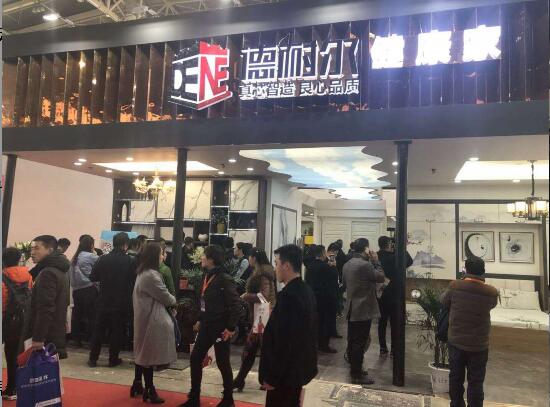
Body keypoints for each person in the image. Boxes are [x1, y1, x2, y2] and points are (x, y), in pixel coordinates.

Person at [180, 245, 241, 407]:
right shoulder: (206, 275)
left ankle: (228, 399)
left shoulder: (224, 278)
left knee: (222, 362)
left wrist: (230, 327)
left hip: (221, 328)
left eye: (204, 255)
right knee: (195, 358)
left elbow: (236, 305)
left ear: (211, 259)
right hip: (207, 325)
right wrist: (199, 319)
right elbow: (204, 302)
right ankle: (194, 397)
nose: (201, 258)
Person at [259, 244, 318, 407]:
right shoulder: (305, 290)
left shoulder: (289, 296)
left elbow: (285, 341)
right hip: (296, 370)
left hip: (285, 375)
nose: (275, 268)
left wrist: (272, 377)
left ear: (286, 265)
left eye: (276, 263)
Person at [441, 256, 498, 407]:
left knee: (456, 378)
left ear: (466, 270)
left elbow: (444, 301)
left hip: (456, 341)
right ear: (483, 271)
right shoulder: (492, 292)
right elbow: (492, 306)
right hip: (479, 345)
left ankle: (456, 404)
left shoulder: (455, 286)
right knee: (476, 382)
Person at [131, 243, 177, 404]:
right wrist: (174, 300)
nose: (163, 256)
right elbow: (166, 297)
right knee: (148, 356)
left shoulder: (143, 272)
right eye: (161, 254)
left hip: (145, 317)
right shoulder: (151, 275)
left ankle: (140, 384)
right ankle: (149, 389)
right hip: (151, 319)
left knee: (144, 353)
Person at [88, 232, 135, 368]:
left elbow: (93, 277)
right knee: (117, 331)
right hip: (122, 302)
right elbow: (134, 280)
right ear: (126, 245)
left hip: (104, 300)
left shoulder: (103, 259)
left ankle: (93, 359)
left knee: (98, 330)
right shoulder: (130, 261)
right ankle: (113, 359)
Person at [342, 237, 385, 385]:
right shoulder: (365, 265)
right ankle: (356, 374)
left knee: (353, 341)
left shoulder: (347, 264)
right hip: (363, 308)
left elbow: (345, 283)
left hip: (351, 308)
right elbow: (380, 277)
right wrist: (376, 261)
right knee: (360, 342)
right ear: (366, 249)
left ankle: (355, 370)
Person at [232, 248, 276, 392]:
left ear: (254, 258)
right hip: (262, 315)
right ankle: (245, 380)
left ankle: (244, 380)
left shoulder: (262, 274)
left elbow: (264, 296)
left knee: (252, 348)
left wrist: (246, 296)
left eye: (250, 257)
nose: (249, 259)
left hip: (263, 316)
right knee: (255, 349)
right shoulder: (261, 272)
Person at [23, 235, 70, 358]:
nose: (32, 252)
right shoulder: (60, 270)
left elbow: (46, 307)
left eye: (37, 248)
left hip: (46, 336)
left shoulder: (48, 273)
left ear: (49, 250)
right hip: (54, 330)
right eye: (32, 249)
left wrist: (38, 338)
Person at [2, 247, 32, 401]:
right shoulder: (28, 275)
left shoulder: (3, 277)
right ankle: (16, 387)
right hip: (23, 320)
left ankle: (10, 388)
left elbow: (3, 302)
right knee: (17, 354)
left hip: (6, 321)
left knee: (9, 355)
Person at [376, 236, 412, 356]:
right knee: (394, 323)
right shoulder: (395, 257)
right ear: (389, 244)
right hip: (395, 294)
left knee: (382, 322)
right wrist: (400, 247)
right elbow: (409, 261)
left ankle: (382, 348)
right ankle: (394, 349)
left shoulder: (376, 257)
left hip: (381, 294)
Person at [305, 244, 339, 353]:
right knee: (325, 322)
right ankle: (324, 345)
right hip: (326, 298)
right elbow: (334, 279)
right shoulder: (326, 266)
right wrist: (334, 267)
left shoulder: (310, 266)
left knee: (316, 321)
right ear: (323, 253)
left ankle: (315, 343)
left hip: (313, 297)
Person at [69, 235, 99, 347]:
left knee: (77, 315)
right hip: (89, 289)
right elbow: (99, 268)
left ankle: (76, 340)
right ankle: (91, 340)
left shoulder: (74, 257)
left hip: (76, 290)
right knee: (92, 316)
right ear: (91, 245)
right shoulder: (91, 256)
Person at [327, 242, 344, 339]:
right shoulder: (327, 260)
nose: (336, 255)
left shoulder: (333, 259)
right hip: (330, 291)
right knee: (330, 313)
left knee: (333, 312)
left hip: (335, 288)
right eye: (336, 252)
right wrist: (332, 266)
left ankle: (333, 331)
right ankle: (330, 332)